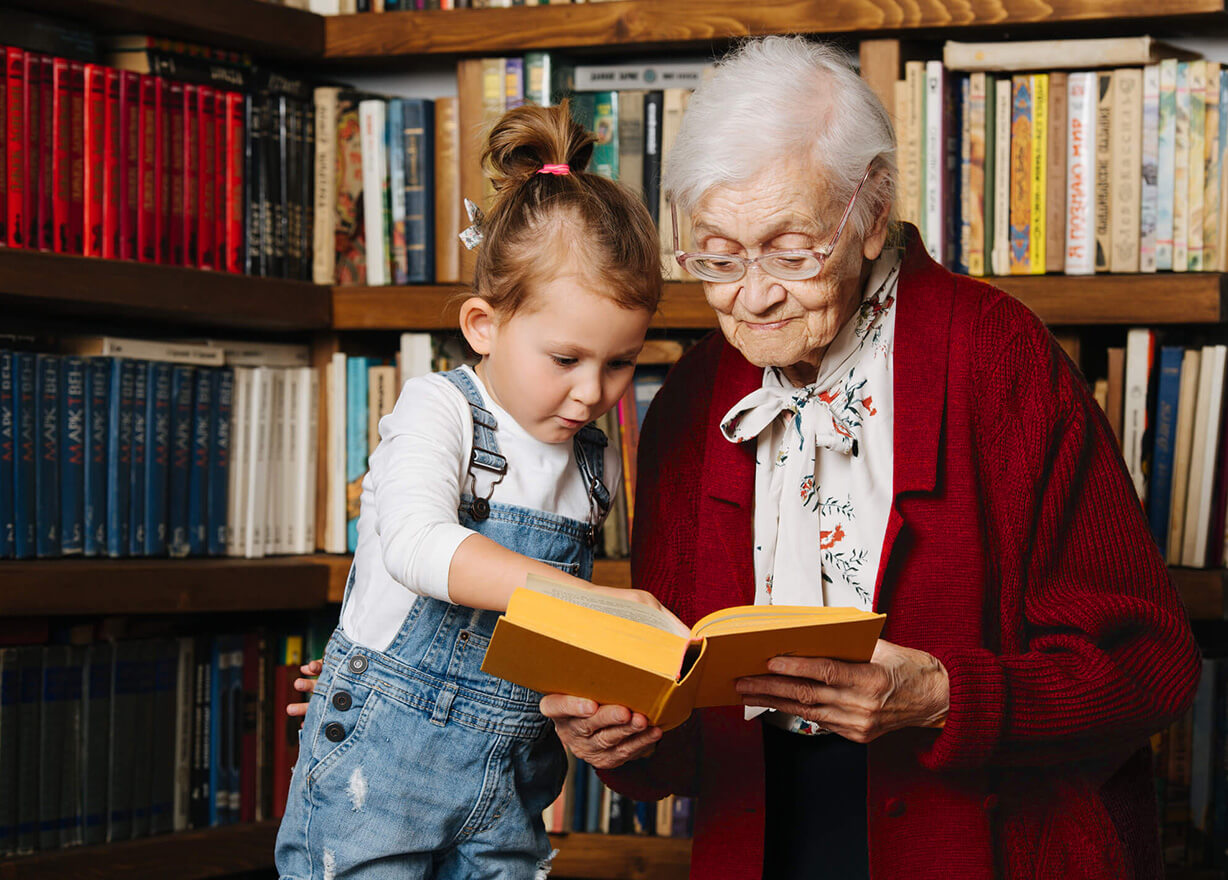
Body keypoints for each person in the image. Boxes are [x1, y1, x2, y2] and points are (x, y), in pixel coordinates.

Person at [540, 36, 1202, 879]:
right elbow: (681, 750)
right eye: (717, 254)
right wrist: (625, 738)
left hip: (979, 850)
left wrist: (943, 697)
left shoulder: (999, 359)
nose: (753, 295)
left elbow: (1152, 665)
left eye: (792, 251)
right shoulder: (689, 402)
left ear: (872, 213)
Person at [275, 101, 680, 880]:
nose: (592, 392)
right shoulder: (441, 409)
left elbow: (538, 643)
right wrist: (587, 602)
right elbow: (416, 547)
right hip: (381, 775)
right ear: (483, 325)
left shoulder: (592, 462)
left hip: (512, 779)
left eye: (621, 363)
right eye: (565, 359)